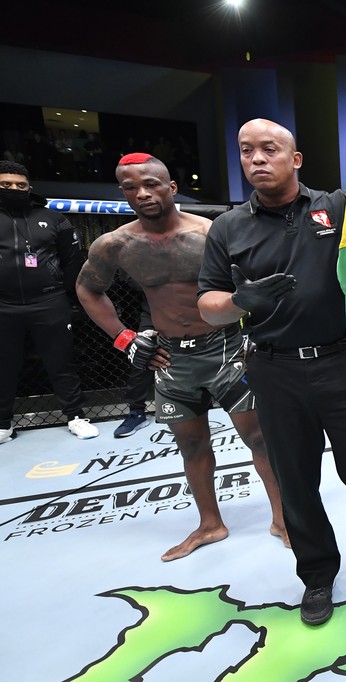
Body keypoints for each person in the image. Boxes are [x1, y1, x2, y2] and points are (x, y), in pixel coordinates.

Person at [196, 53, 346, 626]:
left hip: (342, 364)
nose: (257, 159)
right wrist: (239, 302)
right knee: (297, 485)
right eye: (246, 151)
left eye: (269, 149)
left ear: (295, 158)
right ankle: (317, 578)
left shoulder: (337, 206)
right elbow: (207, 305)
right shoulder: (228, 227)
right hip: (274, 371)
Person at [76, 152, 288, 561]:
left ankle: (282, 518)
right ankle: (210, 524)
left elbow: (254, 286)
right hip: (170, 358)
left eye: (151, 184)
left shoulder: (210, 234)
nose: (142, 193)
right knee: (191, 445)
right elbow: (87, 289)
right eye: (130, 187)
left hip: (226, 348)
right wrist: (124, 338)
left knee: (260, 438)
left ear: (171, 187)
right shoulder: (115, 244)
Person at [0, 160, 99, 444]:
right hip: (3, 305)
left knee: (61, 361)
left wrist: (62, 292)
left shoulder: (53, 218)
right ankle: (3, 424)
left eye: (20, 185)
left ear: (29, 187)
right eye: (6, 184)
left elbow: (72, 260)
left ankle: (76, 417)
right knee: (3, 365)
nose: (14, 189)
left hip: (48, 300)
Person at [114, 289, 155, 437]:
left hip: (189, 308)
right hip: (154, 309)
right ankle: (136, 412)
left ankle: (202, 407)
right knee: (142, 354)